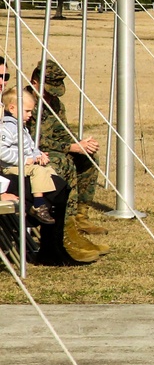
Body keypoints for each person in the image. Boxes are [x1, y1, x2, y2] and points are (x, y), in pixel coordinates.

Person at [29, 60, 109, 259]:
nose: (51, 94)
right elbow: (32, 140)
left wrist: (81, 144)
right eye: (48, 89)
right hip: (35, 156)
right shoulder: (25, 102)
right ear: (35, 82)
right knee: (64, 162)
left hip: (55, 151)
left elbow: (62, 132)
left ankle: (80, 215)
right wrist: (71, 148)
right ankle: (67, 224)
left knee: (87, 158)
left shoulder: (54, 103)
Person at [0, 86, 59, 224]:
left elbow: (31, 146)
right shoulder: (6, 128)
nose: (30, 114)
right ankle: (38, 204)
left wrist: (38, 155)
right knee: (38, 171)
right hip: (12, 167)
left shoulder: (21, 127)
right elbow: (2, 152)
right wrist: (24, 160)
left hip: (26, 163)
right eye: (27, 111)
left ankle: (49, 200)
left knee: (49, 170)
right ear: (13, 108)